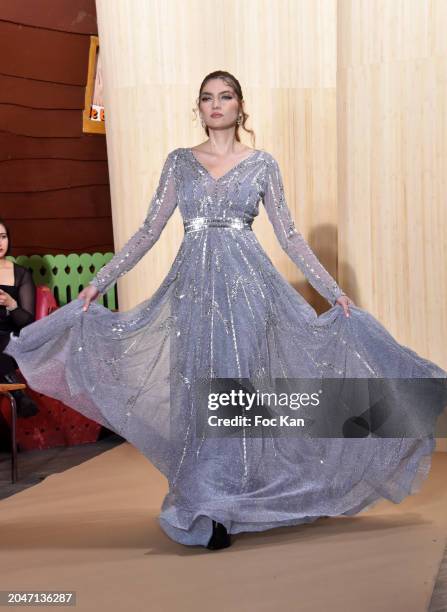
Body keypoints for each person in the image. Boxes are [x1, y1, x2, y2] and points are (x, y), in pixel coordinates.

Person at [4, 71, 447, 551]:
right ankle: (206, 504)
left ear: (240, 106)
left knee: (237, 400)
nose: (216, 105)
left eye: (226, 96)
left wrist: (333, 290)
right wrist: (97, 284)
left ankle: (236, 500)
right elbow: (148, 232)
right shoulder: (179, 162)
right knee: (197, 395)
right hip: (191, 296)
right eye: (208, 98)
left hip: (250, 296)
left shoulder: (261, 165)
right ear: (200, 108)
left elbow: (290, 236)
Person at [0, 219, 38, 421]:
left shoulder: (20, 274)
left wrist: (11, 303)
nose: (0, 243)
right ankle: (19, 395)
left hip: (12, 338)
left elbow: (27, 322)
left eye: (3, 237)